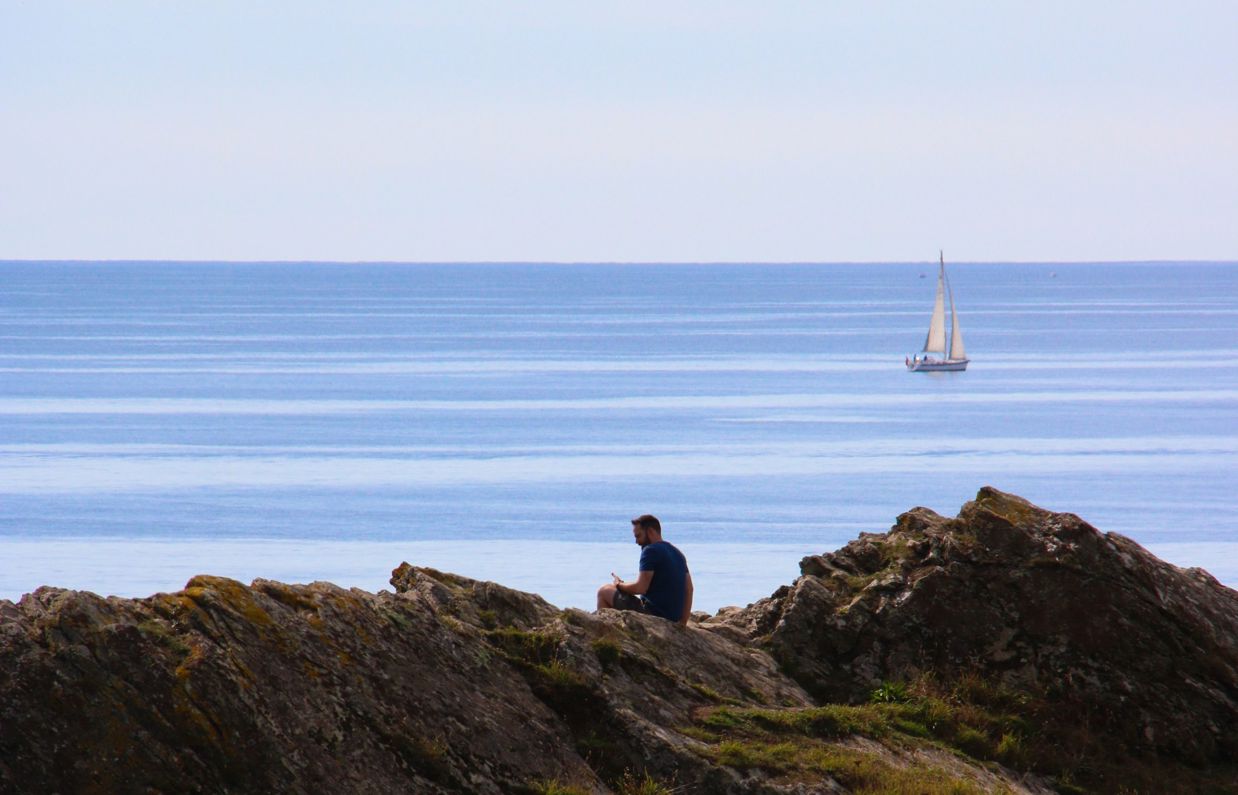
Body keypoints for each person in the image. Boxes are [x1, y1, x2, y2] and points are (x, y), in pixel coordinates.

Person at [596, 514, 693, 626]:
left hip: (653, 615)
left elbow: (641, 588)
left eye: (638, 536)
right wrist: (683, 622)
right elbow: (689, 589)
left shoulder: (650, 551)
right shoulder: (677, 553)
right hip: (673, 618)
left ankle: (606, 634)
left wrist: (619, 585)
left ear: (650, 531)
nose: (637, 542)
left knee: (604, 591)